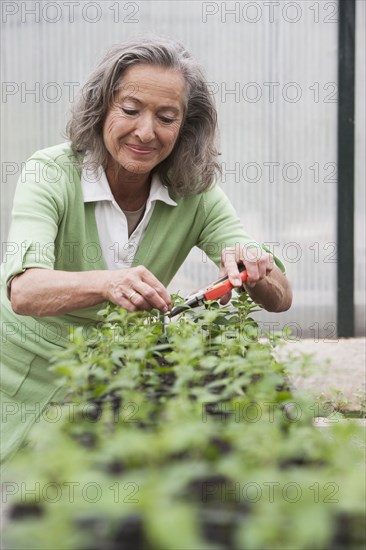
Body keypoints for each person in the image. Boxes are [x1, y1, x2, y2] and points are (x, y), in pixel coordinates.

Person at [0, 36, 292, 465]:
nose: (145, 132)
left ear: (185, 126)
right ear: (101, 108)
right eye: (130, 110)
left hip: (110, 386)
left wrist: (256, 266)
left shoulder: (194, 191)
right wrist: (109, 281)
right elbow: (24, 291)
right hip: (22, 378)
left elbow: (282, 297)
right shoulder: (51, 173)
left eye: (167, 117)